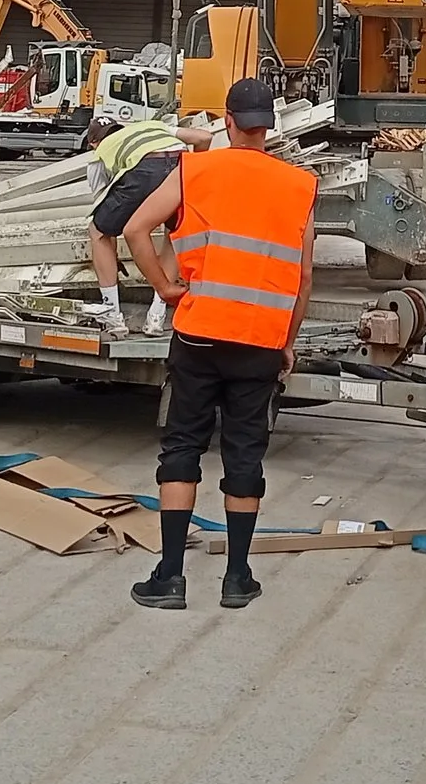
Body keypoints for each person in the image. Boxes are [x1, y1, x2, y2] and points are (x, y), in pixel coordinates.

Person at [121, 77, 316, 611]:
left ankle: (170, 578)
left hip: (199, 333)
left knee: (182, 447)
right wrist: (287, 342)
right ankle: (236, 578)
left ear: (227, 121)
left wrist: (164, 286)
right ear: (268, 127)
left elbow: (136, 229)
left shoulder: (194, 170)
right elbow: (302, 278)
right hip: (259, 341)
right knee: (245, 453)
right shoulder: (299, 185)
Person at [83, 112, 216, 339]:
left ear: (93, 143)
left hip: (143, 168)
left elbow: (104, 209)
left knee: (99, 232)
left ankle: (113, 318)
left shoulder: (99, 155)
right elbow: (204, 138)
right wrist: (193, 174)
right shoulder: (151, 126)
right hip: (179, 163)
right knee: (174, 232)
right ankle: (156, 318)